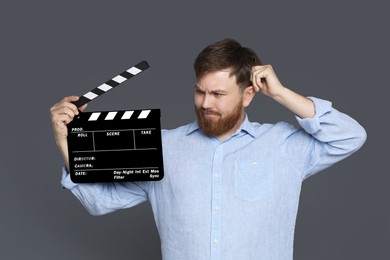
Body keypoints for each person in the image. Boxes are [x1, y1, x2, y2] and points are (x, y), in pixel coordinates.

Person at [50, 38, 367, 259]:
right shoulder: (165, 147)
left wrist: (282, 94)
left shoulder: (283, 145)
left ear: (248, 95)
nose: (205, 103)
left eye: (218, 94)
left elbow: (350, 136)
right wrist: (67, 141)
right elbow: (100, 202)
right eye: (200, 92)